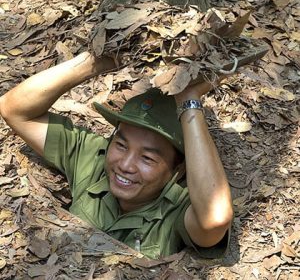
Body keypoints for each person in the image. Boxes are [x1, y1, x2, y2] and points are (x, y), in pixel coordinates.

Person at [0, 52, 233, 259]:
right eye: (121, 145)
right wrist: (99, 59)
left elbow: (215, 218)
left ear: (178, 168)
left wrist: (189, 101)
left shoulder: (178, 209)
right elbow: (15, 110)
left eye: (147, 158)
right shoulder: (92, 157)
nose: (125, 165)